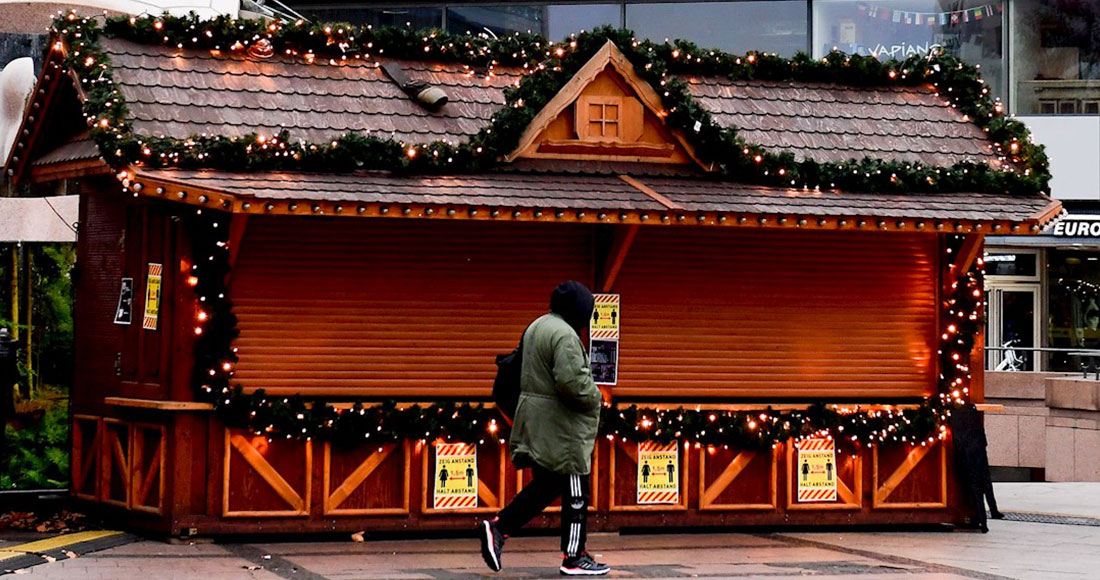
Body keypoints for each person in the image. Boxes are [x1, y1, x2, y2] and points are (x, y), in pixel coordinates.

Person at [480, 281, 609, 576]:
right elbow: (572, 382)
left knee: (547, 485)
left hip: (538, 421)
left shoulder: (537, 326)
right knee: (576, 491)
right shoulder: (565, 335)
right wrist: (595, 396)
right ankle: (574, 557)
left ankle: (498, 528)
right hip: (562, 428)